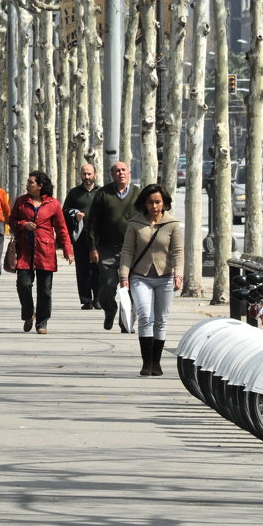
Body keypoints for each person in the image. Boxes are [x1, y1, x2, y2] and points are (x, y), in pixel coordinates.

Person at [118, 183, 183, 376]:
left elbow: (178, 252)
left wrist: (178, 275)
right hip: (140, 277)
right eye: (150, 203)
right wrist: (124, 275)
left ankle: (157, 363)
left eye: (158, 202)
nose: (154, 206)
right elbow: (127, 251)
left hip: (165, 277)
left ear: (164, 203)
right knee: (145, 317)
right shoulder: (135, 223)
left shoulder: (172, 224)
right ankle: (147, 363)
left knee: (161, 320)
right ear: (144, 204)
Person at [9, 170, 73, 334]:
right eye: (28, 182)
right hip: (24, 251)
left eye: (31, 182)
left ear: (40, 185)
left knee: (44, 290)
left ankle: (42, 322)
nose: (27, 185)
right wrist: (24, 224)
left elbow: (61, 228)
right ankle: (28, 314)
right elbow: (11, 220)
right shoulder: (21, 202)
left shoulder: (53, 204)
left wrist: (68, 249)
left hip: (45, 251)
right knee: (23, 284)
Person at [87, 161, 140, 331]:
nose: (121, 173)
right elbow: (93, 223)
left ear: (129, 172)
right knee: (108, 285)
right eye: (117, 171)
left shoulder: (138, 194)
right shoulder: (103, 194)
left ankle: (126, 322)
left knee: (129, 287)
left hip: (132, 249)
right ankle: (110, 310)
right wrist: (93, 247)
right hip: (107, 248)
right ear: (112, 174)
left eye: (123, 170)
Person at [62, 163, 101, 310]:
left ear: (95, 175)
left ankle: (98, 298)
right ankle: (86, 300)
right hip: (81, 237)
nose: (87, 177)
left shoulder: (101, 192)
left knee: (98, 269)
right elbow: (64, 211)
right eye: (84, 174)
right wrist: (74, 215)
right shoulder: (74, 193)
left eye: (89, 174)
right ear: (80, 175)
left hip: (98, 238)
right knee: (83, 269)